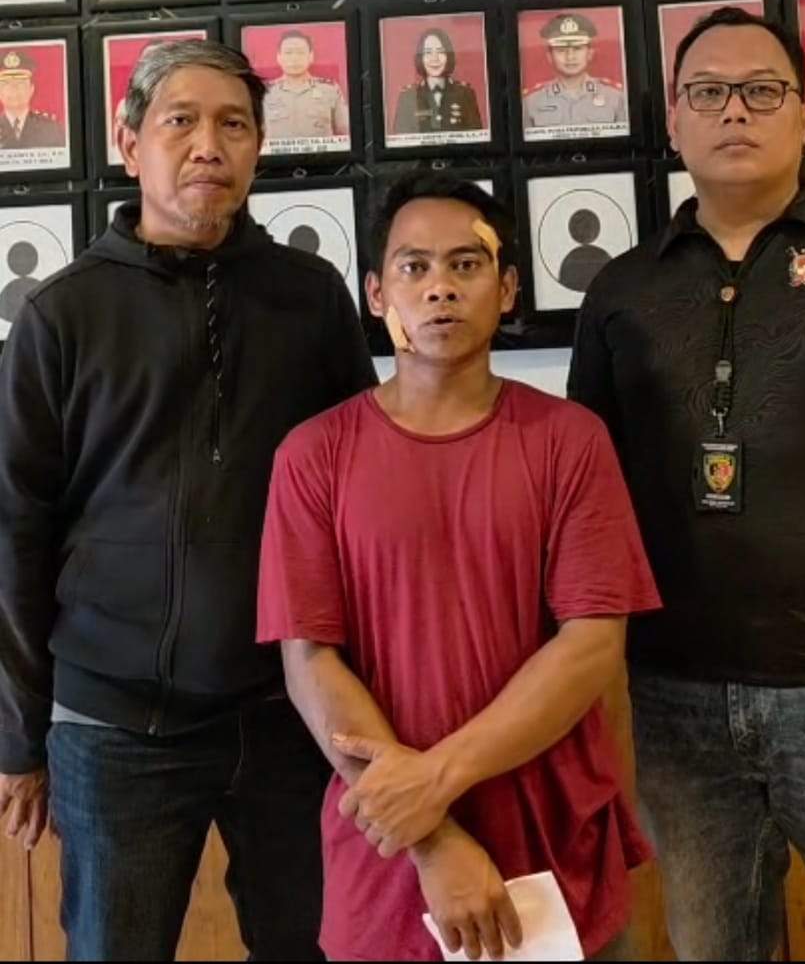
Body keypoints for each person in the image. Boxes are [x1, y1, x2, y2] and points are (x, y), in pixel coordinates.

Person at [569, 4, 805, 961]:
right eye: (707, 92)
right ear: (673, 120)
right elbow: (584, 499)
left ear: (804, 115)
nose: (733, 110)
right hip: (676, 690)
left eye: (761, 91)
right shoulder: (621, 290)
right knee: (713, 948)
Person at [0, 38, 377, 961]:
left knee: (313, 948)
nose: (209, 144)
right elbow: (14, 530)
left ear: (257, 148)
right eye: (182, 121)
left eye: (233, 124)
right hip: (114, 724)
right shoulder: (61, 314)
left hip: (290, 713)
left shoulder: (310, 298)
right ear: (130, 143)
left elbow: (362, 493)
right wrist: (19, 735)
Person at [257, 170, 660, 962]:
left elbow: (590, 646)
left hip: (551, 837)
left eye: (465, 265)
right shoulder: (312, 455)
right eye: (413, 267)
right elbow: (309, 661)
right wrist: (432, 838)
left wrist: (434, 780)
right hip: (387, 849)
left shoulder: (569, 440)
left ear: (506, 289)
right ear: (377, 294)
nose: (439, 287)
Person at [522, 12, 627, 130]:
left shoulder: (616, 96)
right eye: (561, 50)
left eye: (577, 48)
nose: (570, 57)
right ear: (549, 57)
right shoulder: (530, 101)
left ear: (590, 53)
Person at [391, 28, 481, 136]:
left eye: (440, 51)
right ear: (421, 58)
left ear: (448, 56)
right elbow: (401, 140)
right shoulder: (407, 96)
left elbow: (477, 137)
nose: (434, 58)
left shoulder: (465, 94)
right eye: (428, 52)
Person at [262, 30, 349, 141]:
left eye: (300, 52)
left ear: (311, 56)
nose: (294, 58)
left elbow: (346, 132)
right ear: (279, 57)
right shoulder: (264, 92)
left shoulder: (330, 90)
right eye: (288, 53)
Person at [0, 49, 64, 149]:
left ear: (31, 89)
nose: (14, 89)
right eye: (7, 84)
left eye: (20, 83)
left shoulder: (52, 130)